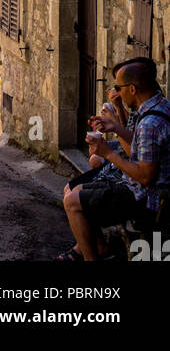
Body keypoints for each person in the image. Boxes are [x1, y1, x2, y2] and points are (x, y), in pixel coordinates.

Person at [61, 58, 170, 261]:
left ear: (132, 89)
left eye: (119, 88)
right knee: (76, 191)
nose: (117, 93)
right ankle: (97, 249)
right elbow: (138, 148)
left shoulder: (149, 124)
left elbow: (145, 177)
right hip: (142, 189)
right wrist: (115, 127)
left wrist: (107, 153)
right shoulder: (160, 106)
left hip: (146, 199)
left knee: (72, 202)